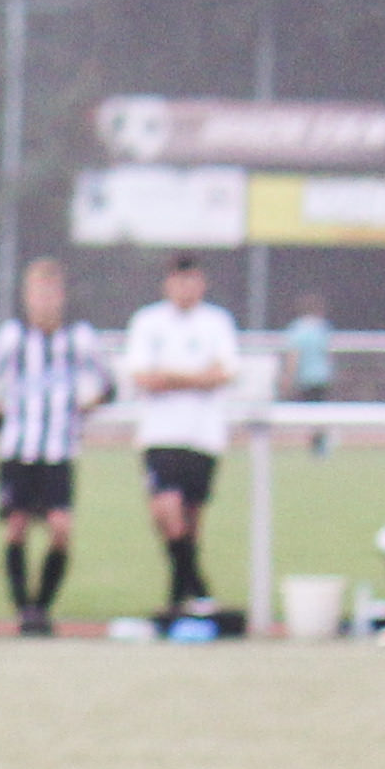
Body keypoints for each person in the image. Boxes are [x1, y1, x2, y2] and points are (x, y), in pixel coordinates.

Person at [0, 256, 110, 637]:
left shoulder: (78, 339)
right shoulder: (13, 338)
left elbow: (108, 385)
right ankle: (24, 610)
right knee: (15, 527)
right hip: (18, 450)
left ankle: (42, 605)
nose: (44, 302)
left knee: (60, 528)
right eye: (37, 294)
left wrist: (81, 409)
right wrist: (2, 413)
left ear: (61, 296)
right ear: (27, 297)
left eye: (51, 293)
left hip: (59, 452)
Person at [124, 253, 240, 617]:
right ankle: (200, 591)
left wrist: (171, 377)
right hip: (161, 435)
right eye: (179, 281)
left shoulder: (217, 322)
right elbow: (144, 377)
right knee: (167, 511)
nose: (185, 288)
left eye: (191, 281)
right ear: (168, 283)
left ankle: (178, 600)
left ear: (201, 283)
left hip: (203, 436)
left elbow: (224, 373)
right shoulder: (148, 322)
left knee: (191, 520)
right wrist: (197, 377)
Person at [287, 290, 336, 457]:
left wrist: (289, 377)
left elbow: (293, 356)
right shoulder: (322, 328)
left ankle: (317, 446)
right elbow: (328, 353)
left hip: (305, 378)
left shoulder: (296, 329)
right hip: (322, 377)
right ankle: (320, 447)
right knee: (320, 413)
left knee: (309, 414)